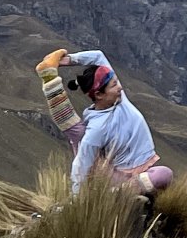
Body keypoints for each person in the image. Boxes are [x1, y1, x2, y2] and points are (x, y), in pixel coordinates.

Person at [41, 49, 173, 195]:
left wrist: (67, 60)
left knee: (163, 175)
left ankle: (124, 194)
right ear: (99, 94)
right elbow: (81, 164)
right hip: (117, 177)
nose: (120, 88)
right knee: (75, 131)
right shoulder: (97, 128)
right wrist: (76, 198)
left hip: (143, 172)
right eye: (114, 85)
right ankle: (116, 196)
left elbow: (98, 56)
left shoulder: (121, 101)